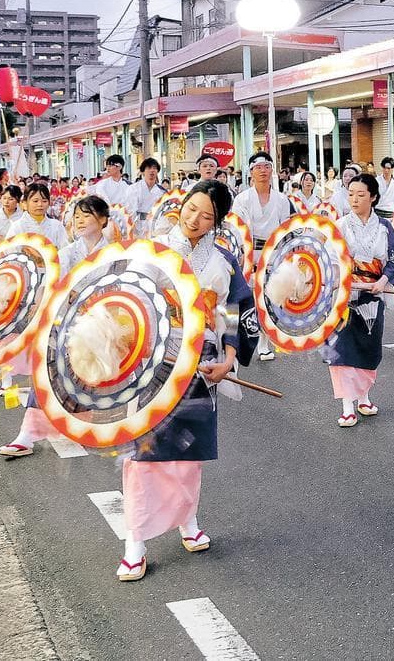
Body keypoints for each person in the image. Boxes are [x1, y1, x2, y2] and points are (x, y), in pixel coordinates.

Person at [116, 180, 258, 581]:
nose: (195, 219)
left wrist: (229, 359)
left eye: (206, 215)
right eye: (191, 208)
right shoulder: (155, 249)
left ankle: (188, 520)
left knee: (189, 452)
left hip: (203, 362)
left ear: (217, 222)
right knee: (145, 454)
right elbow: (131, 299)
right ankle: (135, 542)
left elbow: (234, 310)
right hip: (155, 359)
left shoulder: (223, 260)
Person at [0, 195, 112, 458]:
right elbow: (49, 290)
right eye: (77, 216)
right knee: (47, 374)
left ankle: (88, 427)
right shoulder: (67, 254)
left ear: (103, 220)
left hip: (104, 327)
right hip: (67, 324)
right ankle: (27, 435)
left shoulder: (114, 252)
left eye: (87, 215)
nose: (80, 220)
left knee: (99, 381)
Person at [321, 173, 394, 427]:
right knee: (343, 349)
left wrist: (383, 281)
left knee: (369, 345)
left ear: (373, 197)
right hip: (346, 296)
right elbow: (331, 258)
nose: (354, 199)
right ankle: (347, 406)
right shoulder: (340, 225)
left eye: (361, 195)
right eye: (351, 194)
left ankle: (364, 397)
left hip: (375, 294)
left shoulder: (384, 226)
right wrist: (341, 280)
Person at [232, 152, 292, 361]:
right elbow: (238, 229)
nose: (263, 171)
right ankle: (242, 341)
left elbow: (286, 228)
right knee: (247, 299)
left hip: (273, 253)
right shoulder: (243, 199)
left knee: (270, 299)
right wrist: (245, 253)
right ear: (251, 172)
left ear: (272, 170)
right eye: (259, 167)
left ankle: (264, 344)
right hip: (249, 253)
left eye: (267, 166)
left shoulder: (282, 199)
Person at [5, 182, 69, 248]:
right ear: (25, 203)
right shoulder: (17, 227)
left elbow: (65, 250)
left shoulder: (56, 226)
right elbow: (9, 252)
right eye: (35, 201)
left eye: (44, 201)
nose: (40, 204)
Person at [125, 158, 166, 234]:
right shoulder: (133, 188)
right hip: (137, 226)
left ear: (157, 171)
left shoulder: (162, 191)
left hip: (155, 226)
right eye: (148, 168)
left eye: (154, 168)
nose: (152, 170)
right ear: (143, 172)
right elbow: (130, 210)